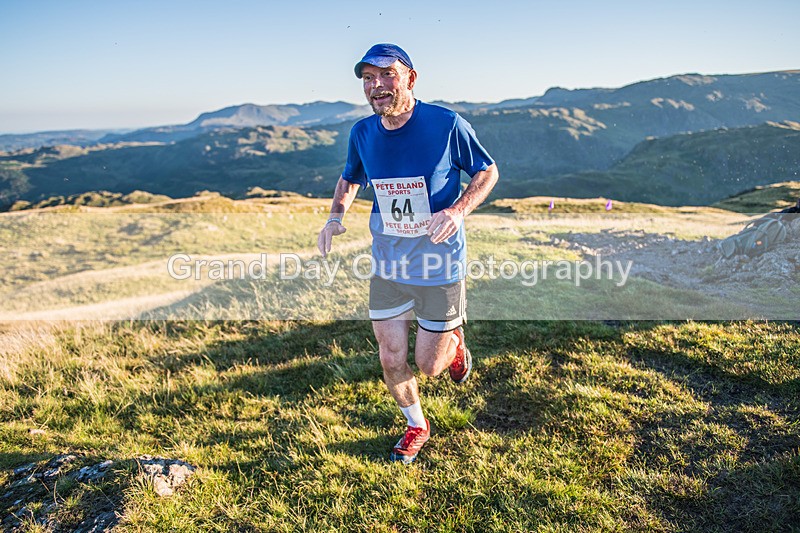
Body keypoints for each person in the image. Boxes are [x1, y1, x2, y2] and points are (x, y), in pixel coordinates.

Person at [317, 43, 499, 464]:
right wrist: (334, 217)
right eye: (368, 78)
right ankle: (417, 424)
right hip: (389, 263)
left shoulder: (446, 124)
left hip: (438, 262)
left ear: (410, 78)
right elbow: (350, 178)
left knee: (430, 366)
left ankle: (454, 343)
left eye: (387, 74)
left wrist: (456, 211)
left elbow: (487, 171)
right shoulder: (362, 132)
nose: (376, 85)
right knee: (391, 356)